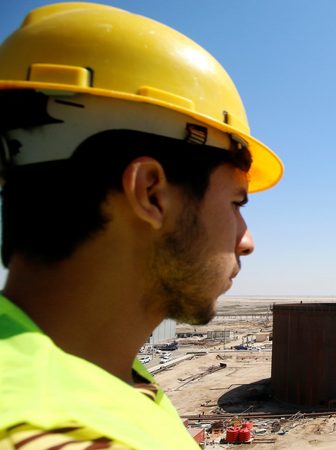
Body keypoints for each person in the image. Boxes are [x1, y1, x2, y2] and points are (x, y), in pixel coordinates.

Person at [0, 3, 283, 449]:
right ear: (151, 193)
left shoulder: (96, 375)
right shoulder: (51, 431)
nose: (246, 241)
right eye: (235, 202)